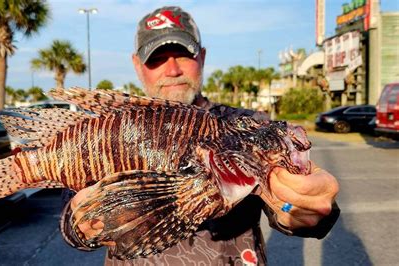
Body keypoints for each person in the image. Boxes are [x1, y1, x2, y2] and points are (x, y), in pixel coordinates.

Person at [61, 6, 340, 265]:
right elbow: (69, 219)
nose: (172, 70)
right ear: (137, 65)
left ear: (202, 57)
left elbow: (294, 207)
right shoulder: (106, 132)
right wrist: (77, 225)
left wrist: (304, 208)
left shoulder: (248, 126)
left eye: (183, 54)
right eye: (156, 58)